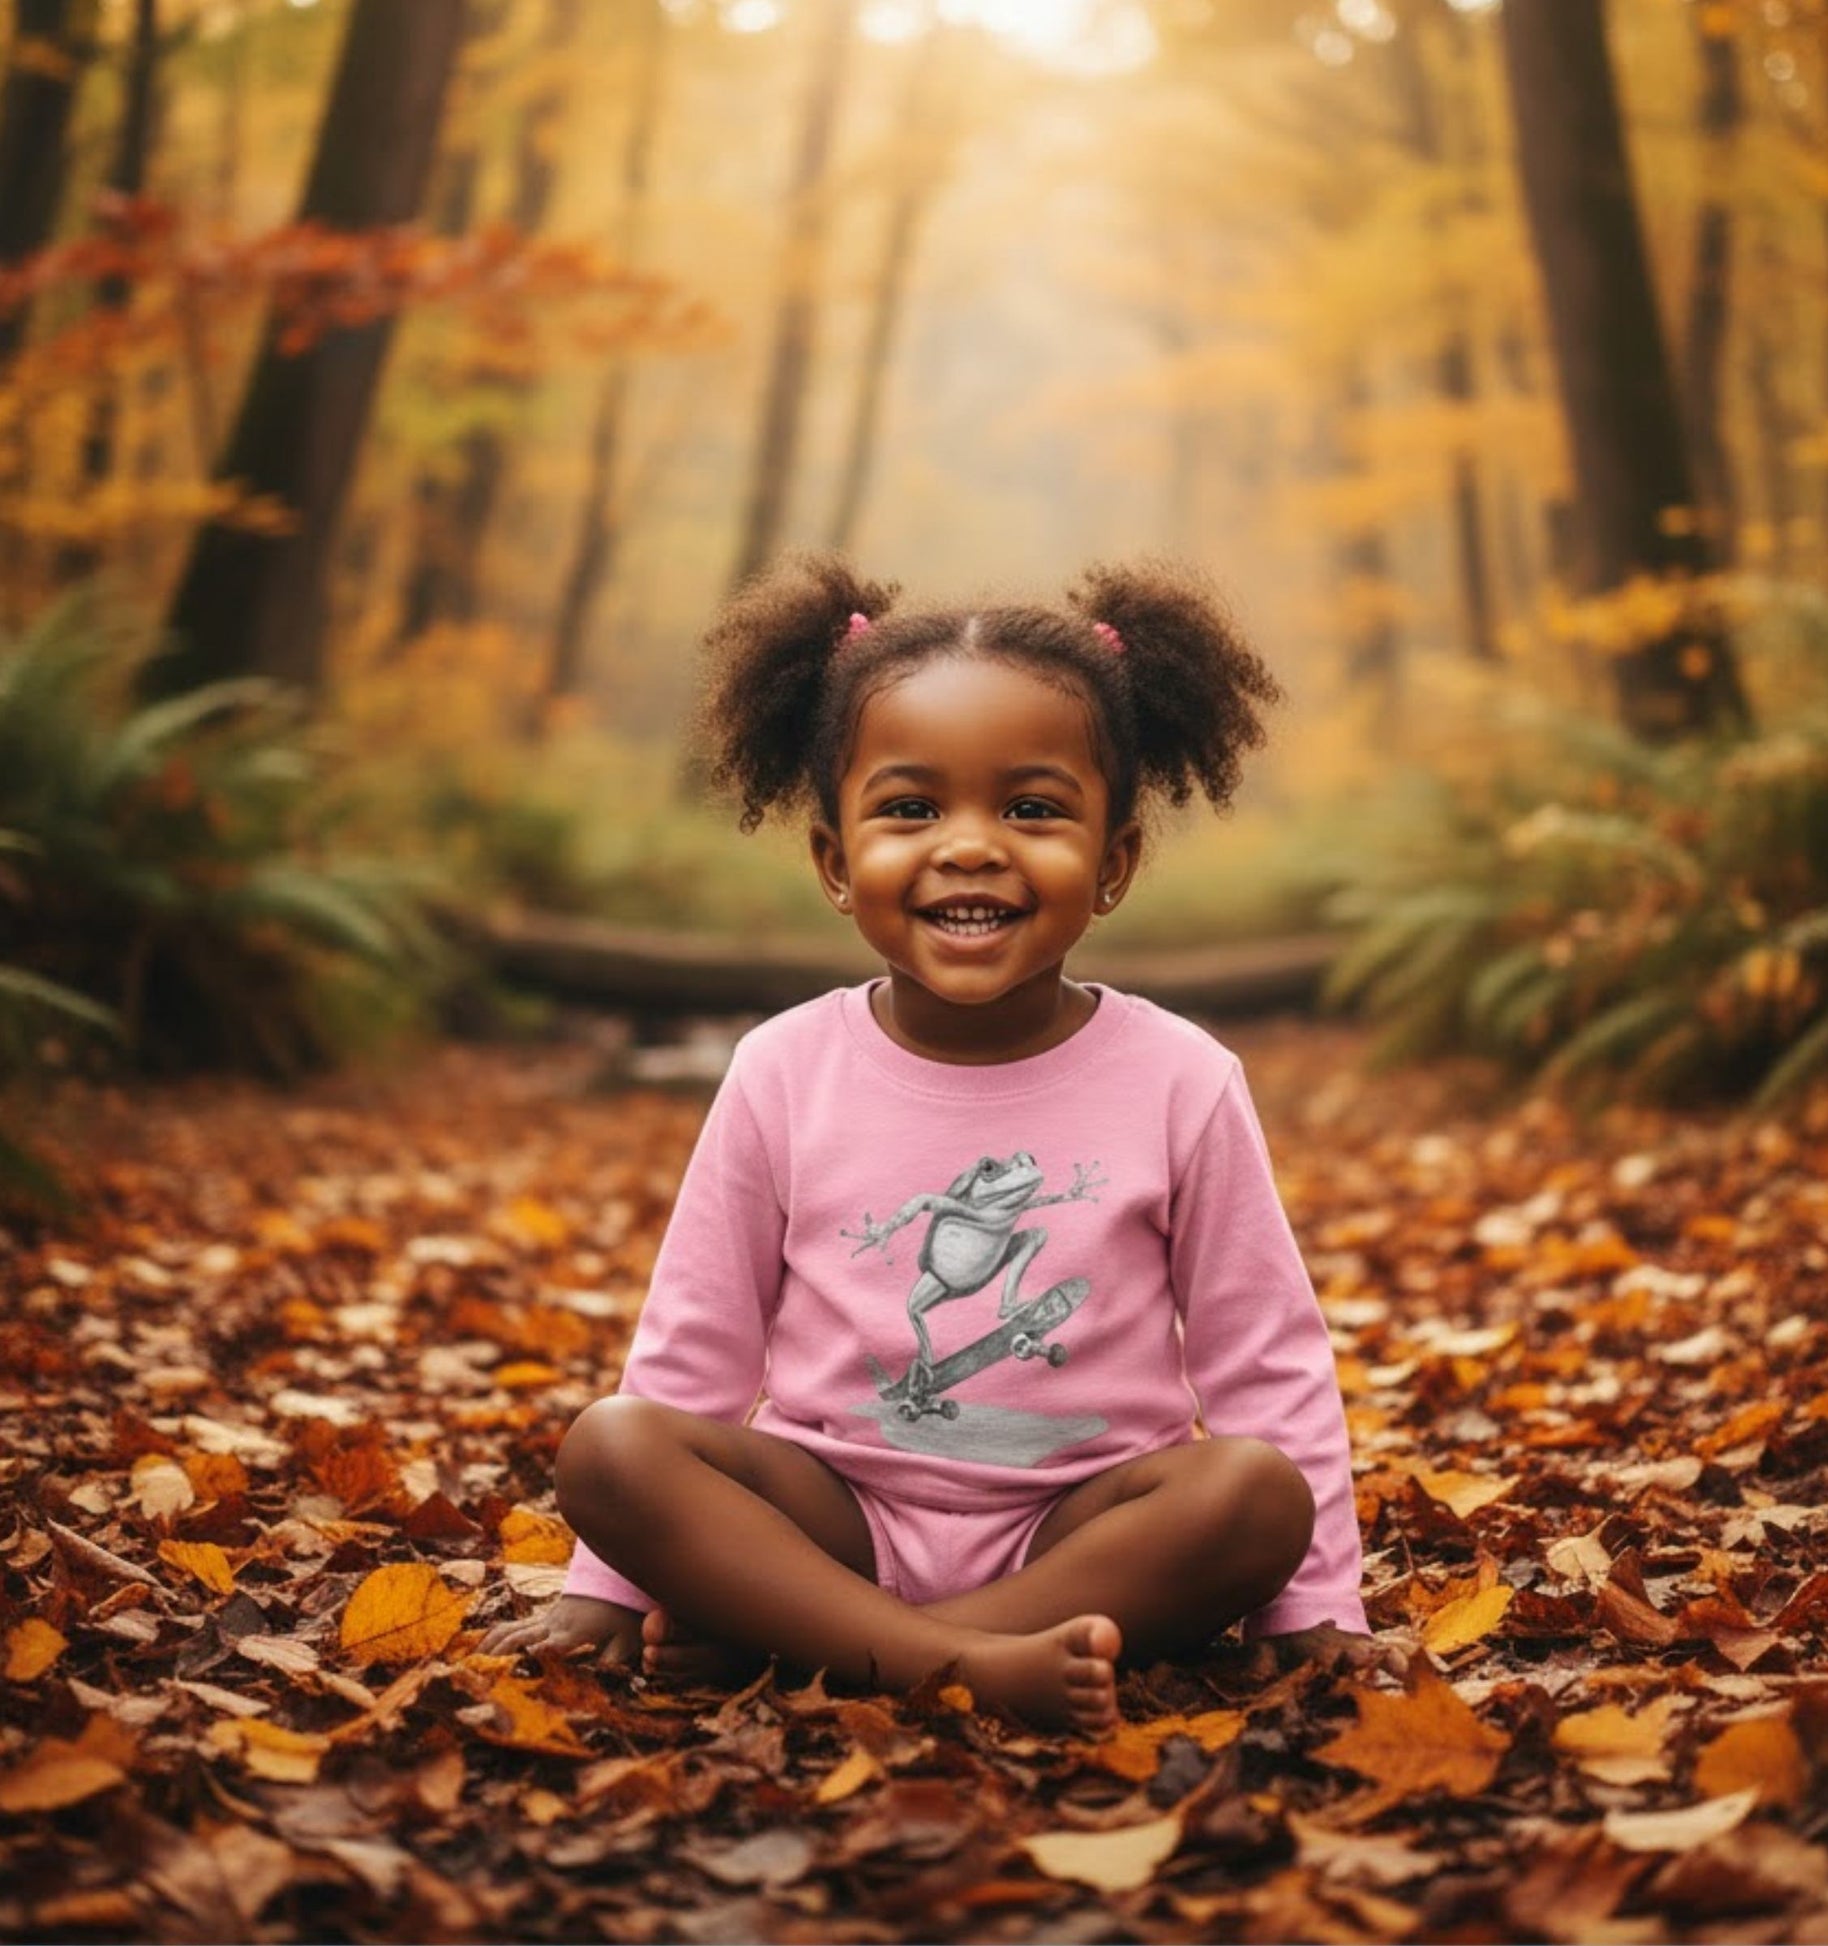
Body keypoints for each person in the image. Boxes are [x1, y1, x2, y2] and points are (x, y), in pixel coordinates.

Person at [480, 552, 1368, 1737]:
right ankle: (954, 1657)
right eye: (910, 807)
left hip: (1082, 1524)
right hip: (829, 1509)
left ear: (1113, 862)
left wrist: (1316, 1607)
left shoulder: (1181, 1078)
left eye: (1031, 808)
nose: (968, 846)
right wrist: (609, 1580)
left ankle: (843, 1645)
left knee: (1253, 1495)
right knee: (611, 1446)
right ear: (835, 862)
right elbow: (696, 1340)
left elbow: (1263, 1356)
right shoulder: (783, 1067)